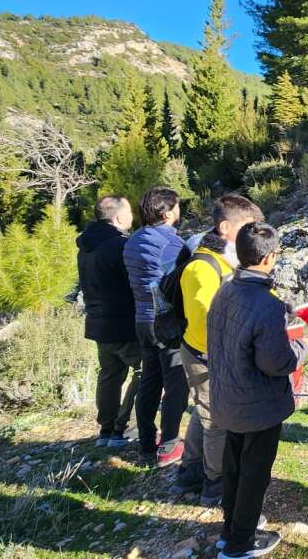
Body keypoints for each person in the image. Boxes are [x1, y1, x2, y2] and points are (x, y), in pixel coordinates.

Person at [208, 222, 308, 558]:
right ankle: (239, 545)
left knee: (235, 466)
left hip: (228, 399)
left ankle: (231, 530)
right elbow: (276, 363)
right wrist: (301, 349)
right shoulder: (266, 304)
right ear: (270, 258)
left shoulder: (224, 289)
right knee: (254, 475)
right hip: (257, 406)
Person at [172, 194, 266, 505]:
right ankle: (215, 484)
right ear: (226, 227)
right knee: (215, 419)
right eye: (248, 228)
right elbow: (205, 320)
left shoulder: (229, 260)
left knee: (204, 412)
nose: (253, 235)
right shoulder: (203, 267)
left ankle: (189, 471)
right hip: (207, 354)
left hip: (217, 352)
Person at [123, 186, 188, 469]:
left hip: (141, 320)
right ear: (166, 212)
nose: (179, 211)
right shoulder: (171, 244)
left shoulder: (131, 241)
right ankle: (170, 444)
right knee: (176, 384)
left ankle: (146, 444)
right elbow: (181, 283)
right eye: (176, 206)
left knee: (149, 382)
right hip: (166, 324)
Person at [77, 195, 141, 448]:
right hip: (123, 322)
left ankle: (106, 429)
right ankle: (124, 428)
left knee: (110, 375)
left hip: (98, 322)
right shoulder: (120, 245)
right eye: (129, 211)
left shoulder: (86, 246)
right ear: (119, 217)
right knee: (145, 371)